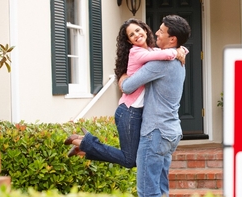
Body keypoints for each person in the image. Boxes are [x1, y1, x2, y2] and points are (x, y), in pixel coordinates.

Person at [64, 18, 187, 168]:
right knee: (131, 160)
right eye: (131, 35)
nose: (136, 35)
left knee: (133, 159)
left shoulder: (152, 51)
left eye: (137, 30)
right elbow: (164, 55)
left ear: (145, 30)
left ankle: (83, 148)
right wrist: (177, 51)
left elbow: (163, 53)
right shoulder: (137, 52)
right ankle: (85, 143)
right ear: (129, 41)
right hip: (129, 111)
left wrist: (181, 49)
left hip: (138, 112)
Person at [118, 15, 191, 197]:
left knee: (147, 193)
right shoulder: (177, 59)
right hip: (171, 132)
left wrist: (123, 76)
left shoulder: (160, 63)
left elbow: (127, 86)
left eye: (161, 30)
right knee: (161, 188)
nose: (156, 32)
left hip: (155, 133)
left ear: (172, 39)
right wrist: (181, 49)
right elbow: (158, 52)